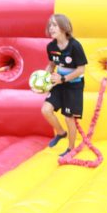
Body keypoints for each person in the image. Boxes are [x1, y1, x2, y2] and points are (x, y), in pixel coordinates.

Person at [41, 14, 88, 157]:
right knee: (46, 110)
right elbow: (51, 64)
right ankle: (61, 133)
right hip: (59, 83)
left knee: (69, 118)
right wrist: (42, 80)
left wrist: (63, 78)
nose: (51, 28)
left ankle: (70, 148)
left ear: (64, 27)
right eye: (50, 25)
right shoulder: (51, 46)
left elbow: (81, 69)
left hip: (74, 86)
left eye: (54, 25)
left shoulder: (75, 46)